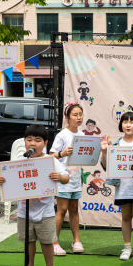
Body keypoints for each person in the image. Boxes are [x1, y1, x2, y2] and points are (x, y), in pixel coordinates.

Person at [0, 125, 69, 266]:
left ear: (46, 143)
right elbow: (7, 179)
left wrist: (59, 177)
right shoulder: (20, 161)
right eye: (29, 140)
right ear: (24, 142)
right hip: (24, 211)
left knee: (47, 241)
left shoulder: (50, 161)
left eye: (37, 140)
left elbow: (66, 177)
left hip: (45, 211)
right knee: (29, 241)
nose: (32, 143)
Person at [100, 111, 133, 261]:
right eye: (125, 121)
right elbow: (107, 167)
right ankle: (127, 248)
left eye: (132, 121)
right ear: (121, 125)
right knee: (126, 217)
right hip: (123, 187)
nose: (128, 124)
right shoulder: (117, 144)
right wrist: (105, 151)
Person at [49, 103, 86, 256]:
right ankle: (54, 242)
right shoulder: (62, 135)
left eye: (81, 114)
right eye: (75, 115)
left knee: (74, 210)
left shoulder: (82, 135)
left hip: (76, 177)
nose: (79, 117)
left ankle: (76, 241)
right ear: (67, 118)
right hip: (63, 177)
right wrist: (62, 153)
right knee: (61, 210)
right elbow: (51, 155)